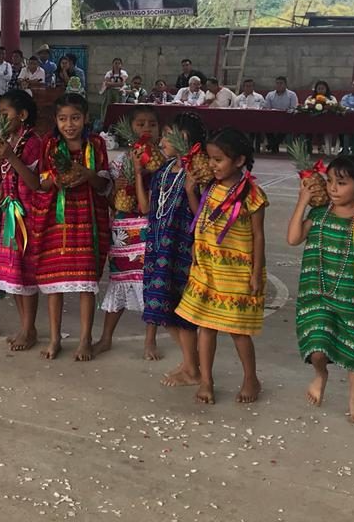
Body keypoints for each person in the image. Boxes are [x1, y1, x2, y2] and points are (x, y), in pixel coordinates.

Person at [286, 155, 354, 423]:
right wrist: (302, 202)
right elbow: (293, 238)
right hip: (318, 295)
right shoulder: (318, 215)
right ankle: (320, 374)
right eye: (330, 181)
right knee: (317, 346)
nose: (332, 188)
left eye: (341, 183)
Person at [176, 128, 268, 404]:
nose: (212, 165)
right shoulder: (211, 187)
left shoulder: (252, 194)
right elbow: (203, 218)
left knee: (238, 330)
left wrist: (256, 273)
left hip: (236, 272)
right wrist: (190, 191)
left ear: (239, 161)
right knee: (206, 327)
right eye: (210, 159)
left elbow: (258, 236)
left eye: (218, 160)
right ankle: (206, 381)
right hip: (207, 269)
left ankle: (251, 378)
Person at [32, 93, 111, 361]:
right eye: (63, 119)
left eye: (75, 118)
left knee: (86, 281)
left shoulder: (96, 144)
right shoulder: (50, 144)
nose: (69, 124)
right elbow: (41, 182)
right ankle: (55, 338)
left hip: (88, 219)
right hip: (58, 219)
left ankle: (85, 338)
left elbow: (104, 184)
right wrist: (57, 179)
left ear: (86, 118)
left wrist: (87, 175)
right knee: (55, 280)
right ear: (55, 120)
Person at [142, 113, 205, 387]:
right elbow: (149, 207)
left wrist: (191, 191)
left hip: (183, 251)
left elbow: (203, 216)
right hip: (158, 250)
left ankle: (192, 369)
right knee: (161, 308)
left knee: (182, 312)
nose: (162, 141)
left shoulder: (199, 172)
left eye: (168, 135)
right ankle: (191, 363)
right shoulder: (165, 169)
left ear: (185, 138)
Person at [95, 105, 160, 359]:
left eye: (152, 124)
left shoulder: (161, 160)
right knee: (119, 280)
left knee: (150, 283)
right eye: (140, 124)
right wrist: (118, 189)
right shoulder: (121, 161)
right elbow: (112, 201)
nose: (146, 128)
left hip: (151, 227)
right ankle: (106, 337)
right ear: (130, 128)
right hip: (123, 229)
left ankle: (150, 340)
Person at [0, 89, 42, 351]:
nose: (0, 119)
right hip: (8, 212)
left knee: (26, 273)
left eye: (5, 113)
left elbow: (34, 183)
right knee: (13, 273)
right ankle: (24, 326)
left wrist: (10, 156)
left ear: (22, 115)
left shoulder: (32, 142)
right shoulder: (4, 140)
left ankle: (29, 328)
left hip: (27, 215)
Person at [264, 76, 298, 152]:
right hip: (272, 119)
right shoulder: (270, 95)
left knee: (285, 127)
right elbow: (267, 108)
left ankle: (272, 145)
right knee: (265, 126)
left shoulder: (292, 95)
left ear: (285, 85)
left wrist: (287, 112)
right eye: (277, 83)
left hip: (287, 119)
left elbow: (294, 108)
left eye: (281, 83)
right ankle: (273, 145)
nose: (279, 85)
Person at [99, 58, 127, 123]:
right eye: (115, 63)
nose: (117, 65)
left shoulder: (123, 73)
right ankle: (105, 121)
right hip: (110, 93)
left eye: (119, 63)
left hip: (119, 93)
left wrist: (111, 84)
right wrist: (117, 84)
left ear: (121, 65)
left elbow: (122, 84)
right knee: (107, 106)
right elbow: (107, 84)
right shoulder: (109, 73)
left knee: (118, 108)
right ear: (113, 64)